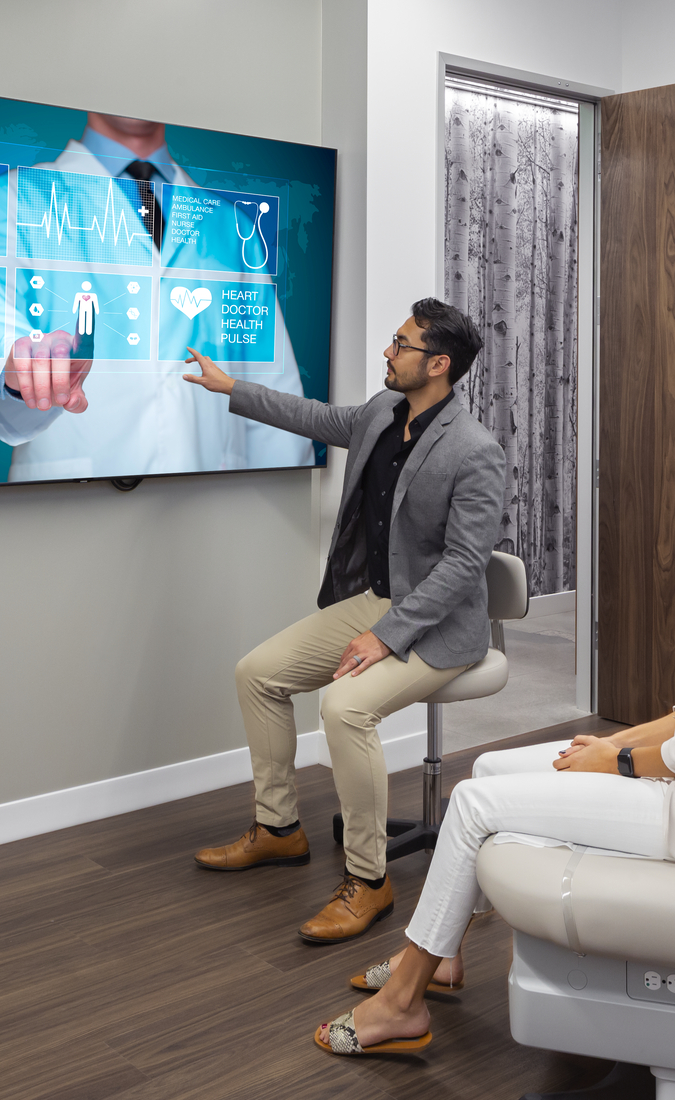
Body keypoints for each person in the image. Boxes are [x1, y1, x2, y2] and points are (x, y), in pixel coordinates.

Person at [313, 408, 675, 1055]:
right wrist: (614, 744)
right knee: (487, 771)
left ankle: (403, 1001)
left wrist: (619, 763)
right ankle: (444, 955)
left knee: (471, 803)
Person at [181, 298, 508, 944]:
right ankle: (279, 829)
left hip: (439, 625)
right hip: (376, 597)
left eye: (402, 344)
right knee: (258, 673)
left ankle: (369, 878)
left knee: (344, 709)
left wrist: (386, 635)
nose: (388, 351)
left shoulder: (475, 450)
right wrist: (232, 387)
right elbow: (315, 417)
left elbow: (465, 566)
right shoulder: (384, 412)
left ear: (438, 364)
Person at [0, 112, 314, 481]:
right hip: (71, 500)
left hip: (212, 495)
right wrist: (21, 354)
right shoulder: (13, 197)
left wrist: (286, 497)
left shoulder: (232, 227)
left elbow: (270, 392)